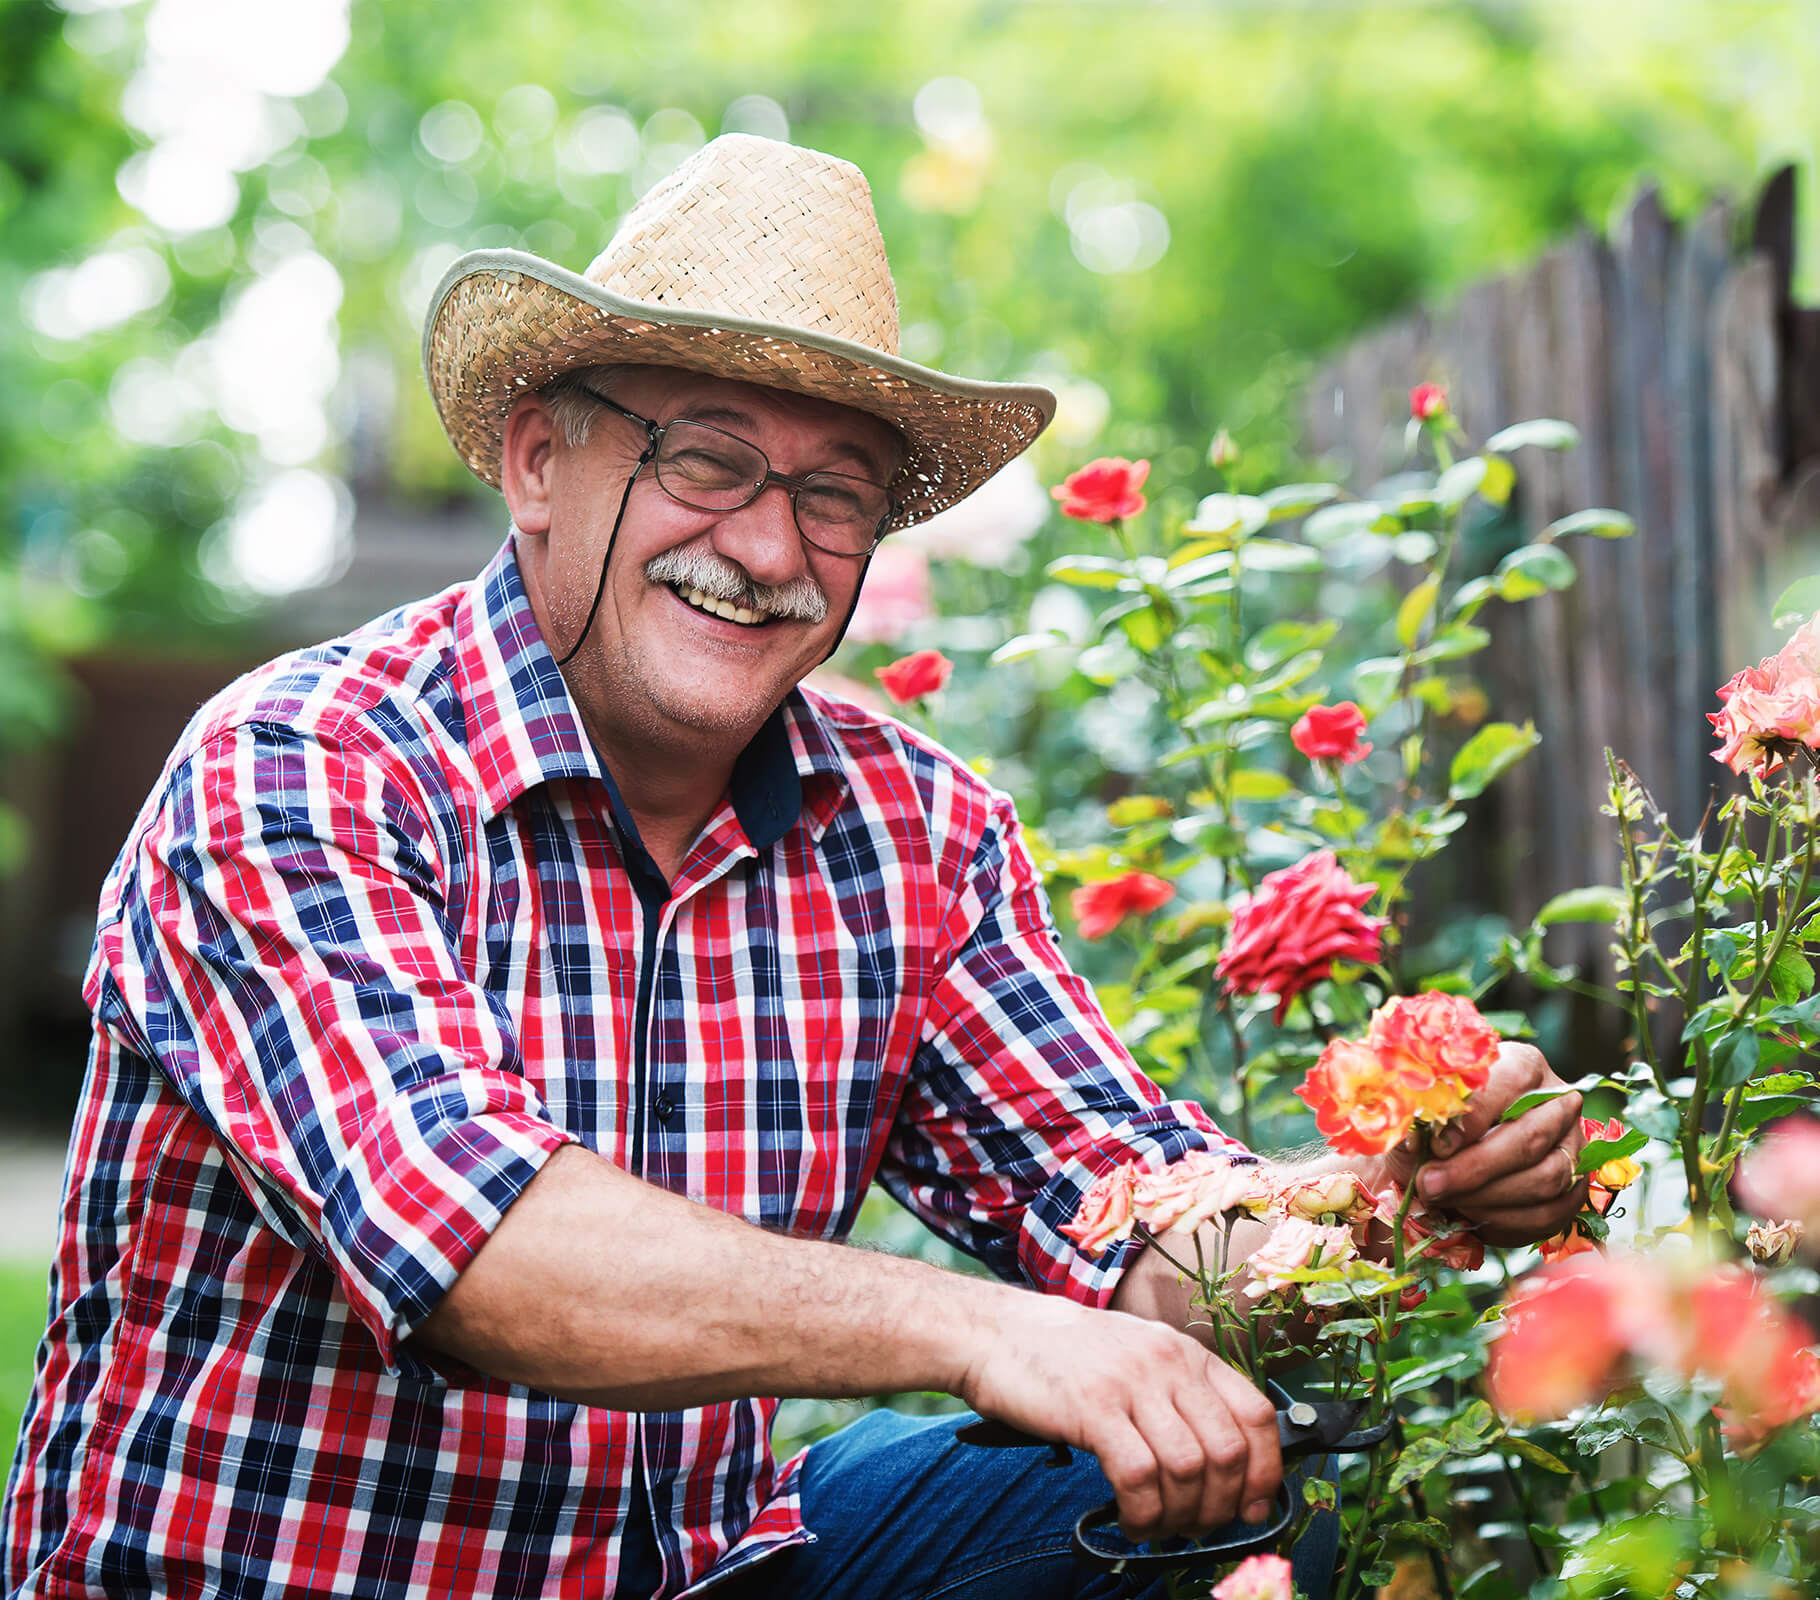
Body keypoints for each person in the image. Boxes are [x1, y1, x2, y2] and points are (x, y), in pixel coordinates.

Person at [1, 135, 1588, 1600]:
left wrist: (1391, 1198)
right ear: (537, 460)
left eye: (834, 494)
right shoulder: (301, 767)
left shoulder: (916, 830)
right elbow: (482, 1255)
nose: (768, 549)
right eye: (706, 461)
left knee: (1275, 1471)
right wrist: (983, 1332)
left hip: (705, 1573)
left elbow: (1116, 1206)